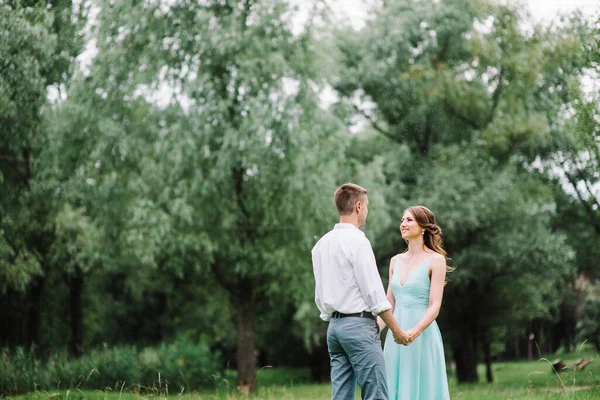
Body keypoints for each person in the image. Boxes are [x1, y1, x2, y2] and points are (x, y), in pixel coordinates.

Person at [312, 183, 409, 400]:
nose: (366, 211)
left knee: (341, 396)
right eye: (366, 206)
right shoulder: (358, 241)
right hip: (358, 327)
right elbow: (374, 294)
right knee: (376, 394)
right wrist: (397, 330)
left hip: (334, 329)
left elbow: (320, 294)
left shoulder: (320, 245)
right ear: (358, 206)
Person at [380, 205, 451, 400]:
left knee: (423, 388)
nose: (403, 224)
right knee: (394, 387)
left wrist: (415, 332)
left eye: (409, 220)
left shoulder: (436, 260)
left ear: (423, 227)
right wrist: (374, 329)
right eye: (402, 220)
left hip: (422, 334)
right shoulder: (395, 261)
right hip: (396, 333)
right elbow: (389, 302)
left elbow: (435, 304)